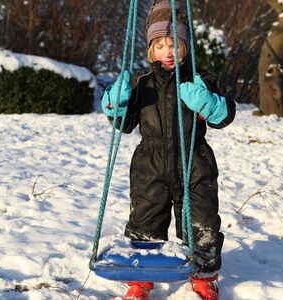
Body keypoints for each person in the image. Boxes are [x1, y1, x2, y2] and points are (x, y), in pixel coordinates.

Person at [101, 1, 236, 299]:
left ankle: (204, 275)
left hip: (194, 162)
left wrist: (206, 103)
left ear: (186, 45)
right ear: (151, 48)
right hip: (151, 165)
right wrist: (116, 104)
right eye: (160, 44)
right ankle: (140, 276)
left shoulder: (200, 81)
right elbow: (125, 124)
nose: (168, 51)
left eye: (175, 43)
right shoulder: (142, 83)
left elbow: (224, 116)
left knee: (202, 222)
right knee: (145, 222)